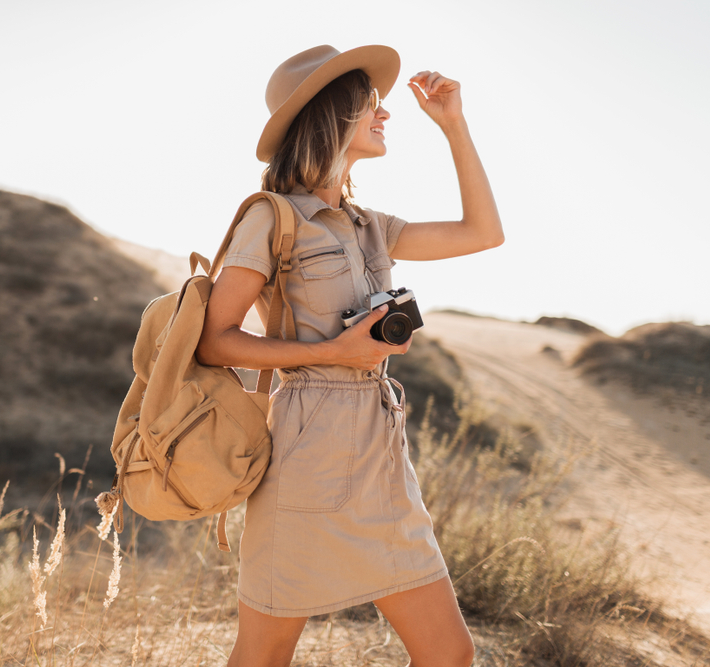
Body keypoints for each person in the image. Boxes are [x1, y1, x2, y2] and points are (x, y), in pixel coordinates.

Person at [195, 45, 502, 667]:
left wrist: (455, 124)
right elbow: (213, 337)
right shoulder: (273, 218)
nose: (385, 112)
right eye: (370, 103)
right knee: (263, 654)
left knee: (450, 654)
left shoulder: (369, 225)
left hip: (382, 449)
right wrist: (334, 349)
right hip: (306, 446)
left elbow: (483, 232)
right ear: (331, 113)